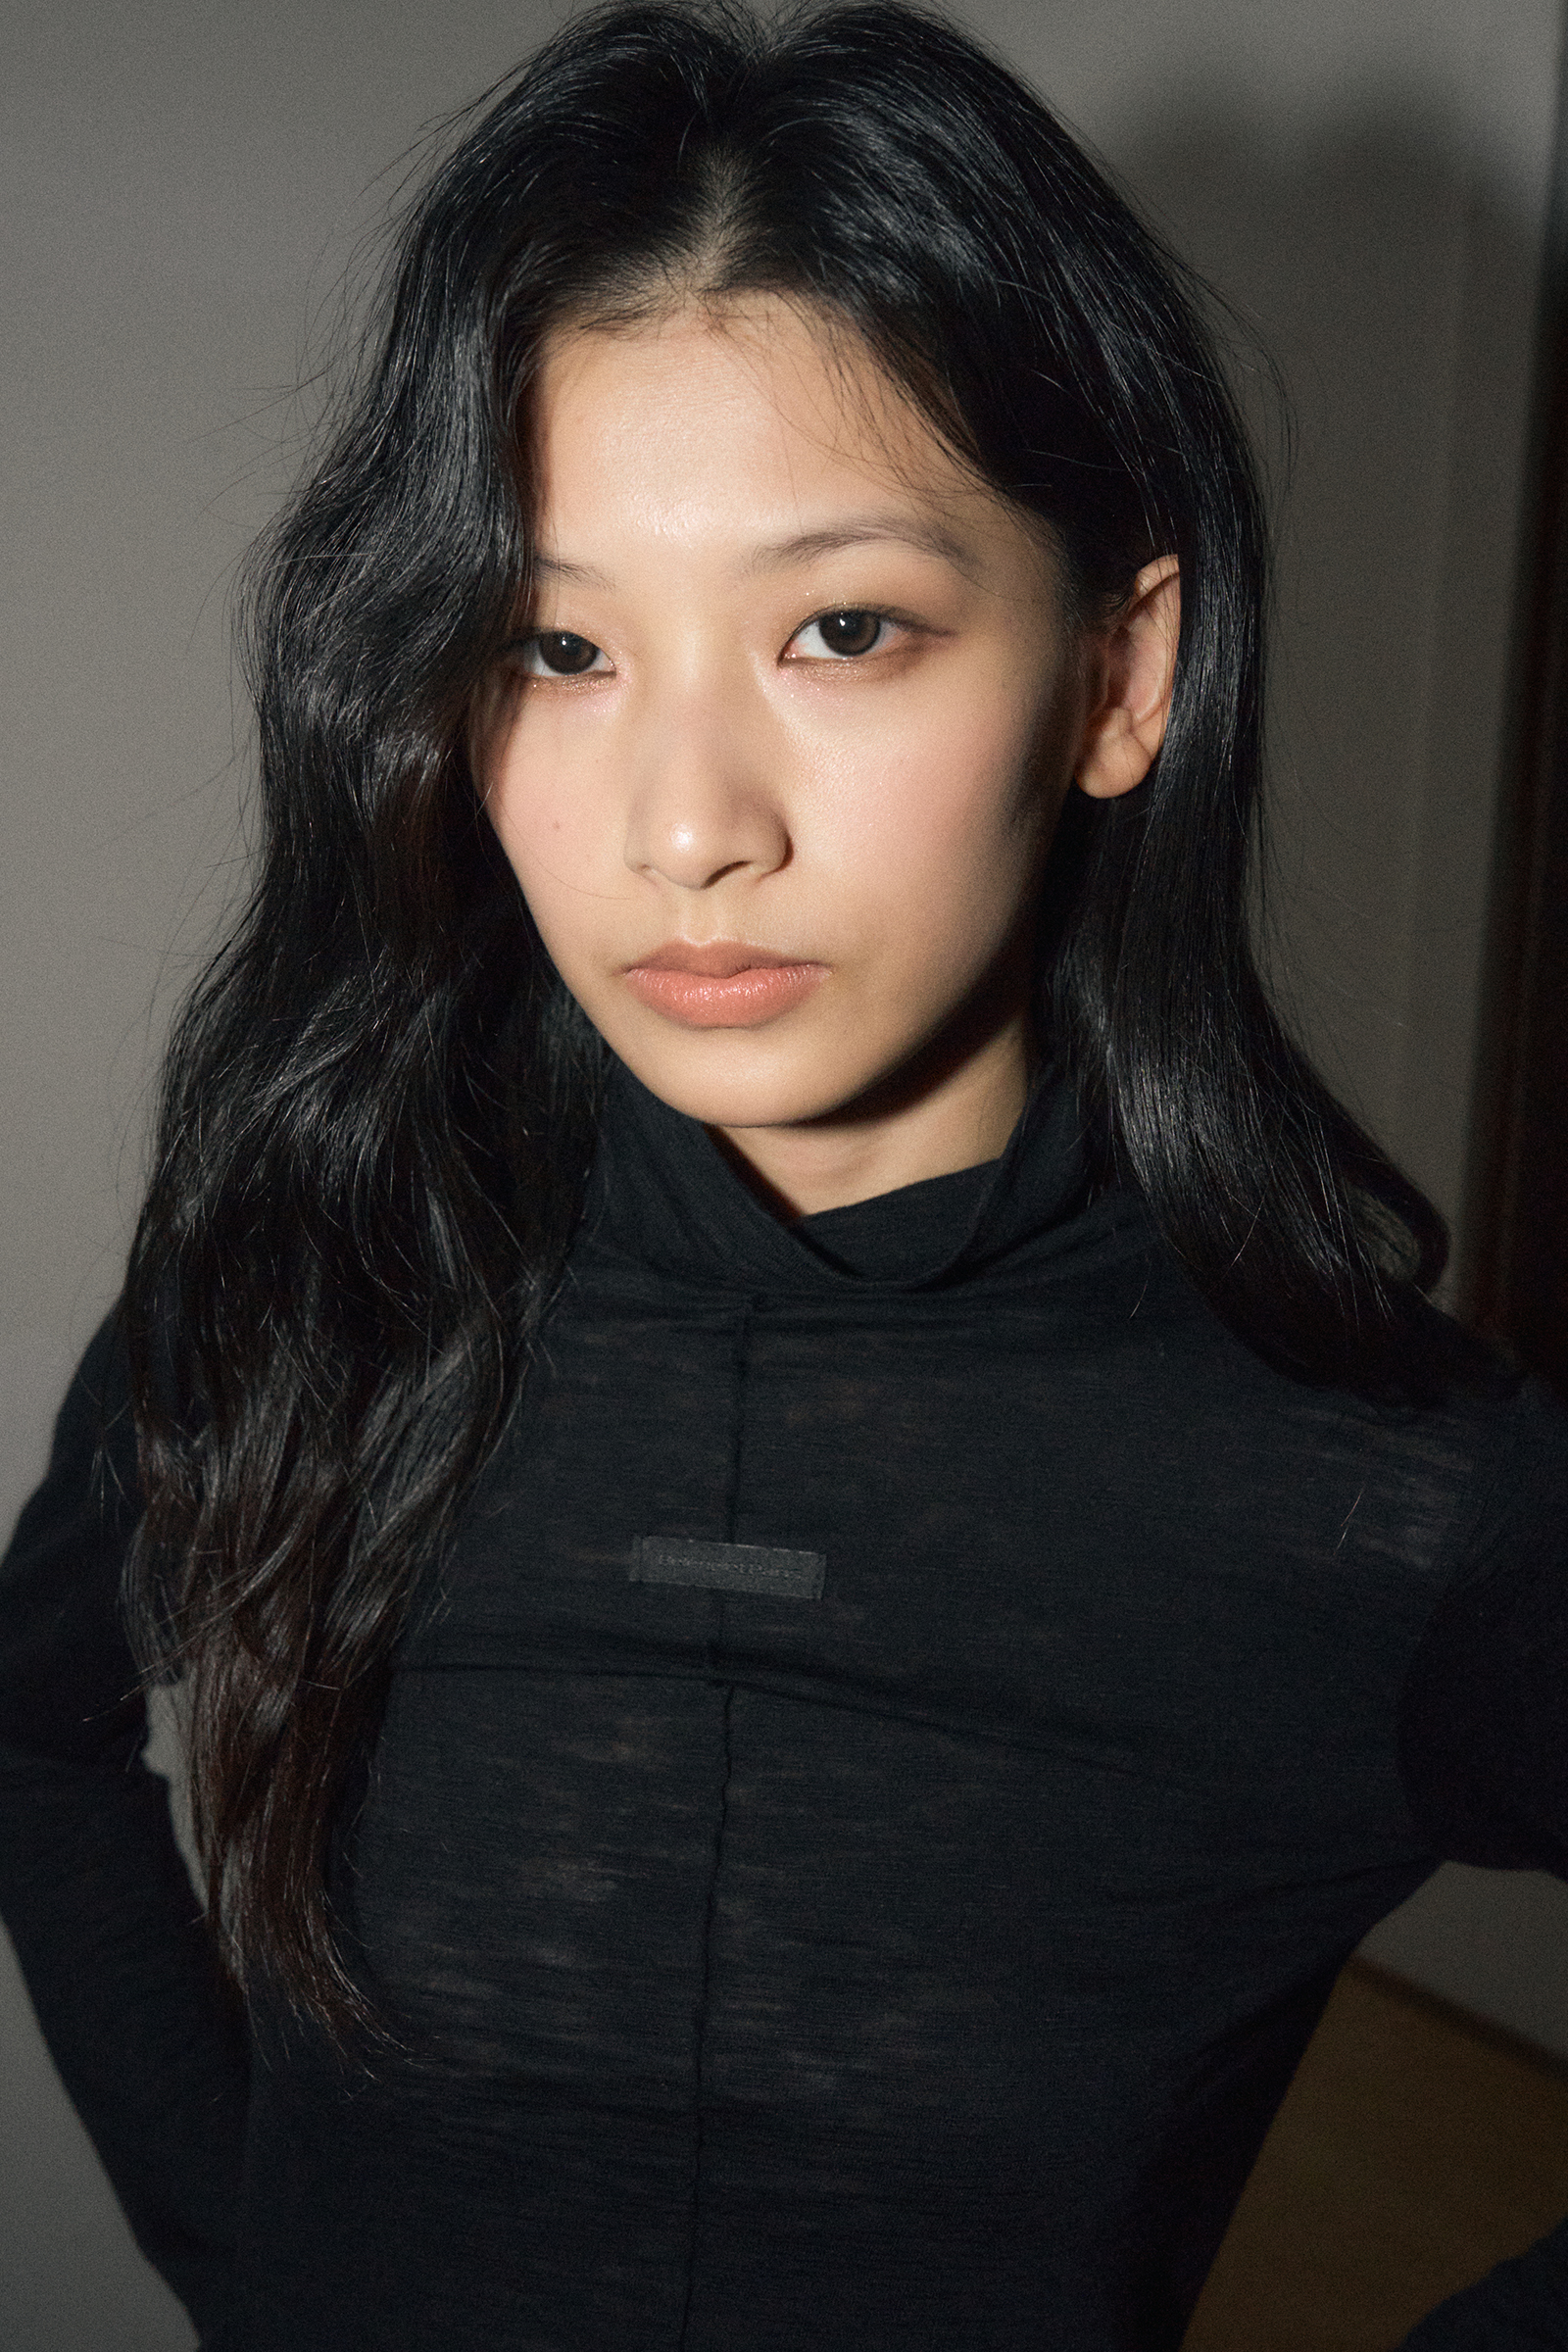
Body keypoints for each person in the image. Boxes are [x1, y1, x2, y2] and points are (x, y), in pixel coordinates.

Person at [2, 2, 1564, 2345]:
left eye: (841, 629)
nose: (683, 826)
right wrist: (248, 2253)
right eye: (555, 646)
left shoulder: (1384, 1492)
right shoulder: (324, 1276)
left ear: (1117, 674)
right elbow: (30, 1722)